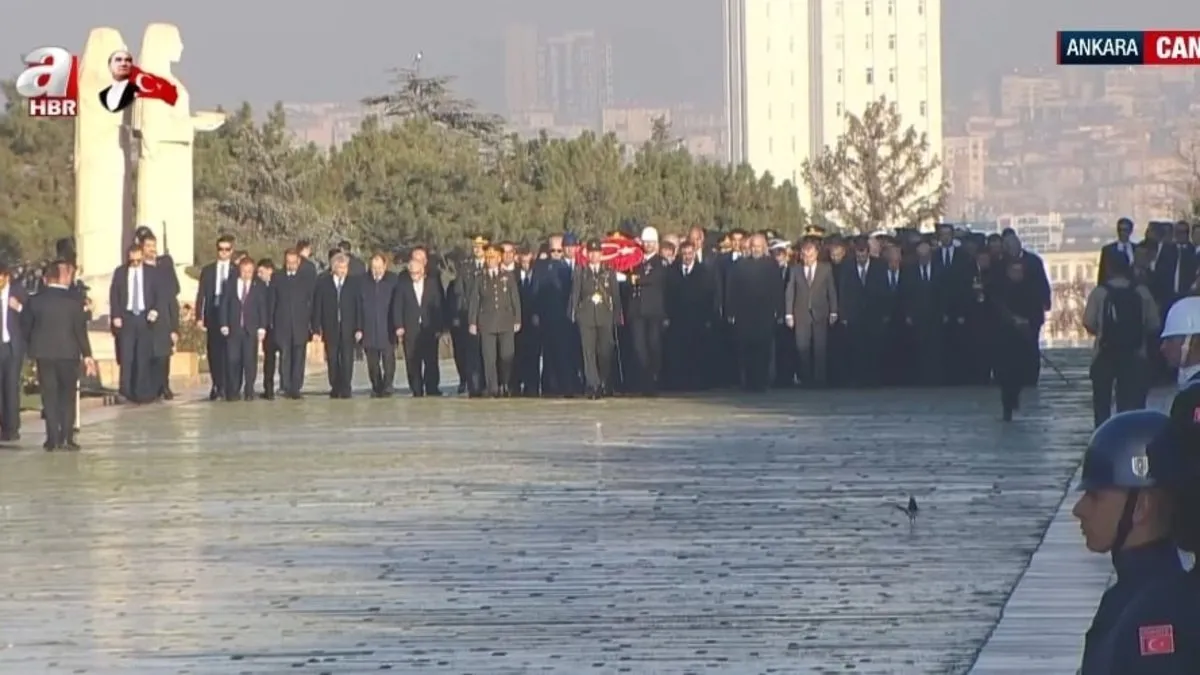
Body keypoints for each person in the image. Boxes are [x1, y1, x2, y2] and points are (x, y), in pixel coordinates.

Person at [1071, 410, 1183, 674]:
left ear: (1141, 506)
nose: (1079, 509)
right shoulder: (1134, 594)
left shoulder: (1158, 611)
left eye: (1095, 496)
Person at [23, 261, 96, 450]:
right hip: (68, 353)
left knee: (50, 396)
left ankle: (52, 438)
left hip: (44, 354)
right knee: (68, 396)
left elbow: (26, 327)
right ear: (62, 277)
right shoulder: (74, 301)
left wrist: (30, 350)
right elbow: (80, 331)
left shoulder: (35, 300)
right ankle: (67, 437)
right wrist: (87, 355)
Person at [1083, 254, 1160, 427]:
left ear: (1109, 269)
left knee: (1101, 401)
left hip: (1105, 353)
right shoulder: (1141, 292)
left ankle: (1102, 433)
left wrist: (1104, 332)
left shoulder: (1100, 292)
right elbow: (1154, 323)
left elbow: (1088, 322)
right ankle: (1129, 433)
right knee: (1130, 402)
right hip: (1136, 353)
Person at [992, 258, 1044, 421]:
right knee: (1006, 374)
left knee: (1021, 372)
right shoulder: (1001, 289)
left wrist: (1028, 322)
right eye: (1014, 271)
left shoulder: (1030, 289)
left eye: (1019, 271)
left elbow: (1037, 311)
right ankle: (1008, 404)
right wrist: (1012, 320)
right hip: (1005, 338)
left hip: (1024, 338)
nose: (1017, 274)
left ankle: (1014, 397)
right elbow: (997, 309)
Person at [468, 245, 521, 397]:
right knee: (489, 357)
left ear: (499, 259)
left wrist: (517, 318)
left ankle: (506, 384)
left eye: (494, 257)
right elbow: (474, 301)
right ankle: (492, 387)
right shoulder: (480, 278)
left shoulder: (507, 277)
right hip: (487, 322)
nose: (491, 260)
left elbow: (515, 299)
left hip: (506, 321)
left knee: (506, 355)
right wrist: (472, 322)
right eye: (488, 257)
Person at [218, 258, 268, 401]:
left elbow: (262, 307)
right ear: (239, 270)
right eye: (244, 271)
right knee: (233, 359)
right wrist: (224, 324)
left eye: (250, 272)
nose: (247, 274)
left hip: (250, 329)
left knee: (249, 361)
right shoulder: (229, 284)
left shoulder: (259, 285)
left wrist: (262, 327)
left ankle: (249, 389)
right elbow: (224, 305)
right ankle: (233, 390)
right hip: (234, 328)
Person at [312, 253, 361, 398]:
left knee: (347, 358)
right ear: (333, 268)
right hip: (330, 326)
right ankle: (335, 385)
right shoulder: (323, 283)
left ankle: (346, 387)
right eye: (340, 267)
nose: (342, 270)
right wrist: (316, 329)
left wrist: (359, 327)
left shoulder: (353, 284)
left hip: (348, 327)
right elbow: (317, 307)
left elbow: (359, 307)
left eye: (345, 267)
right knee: (332, 359)